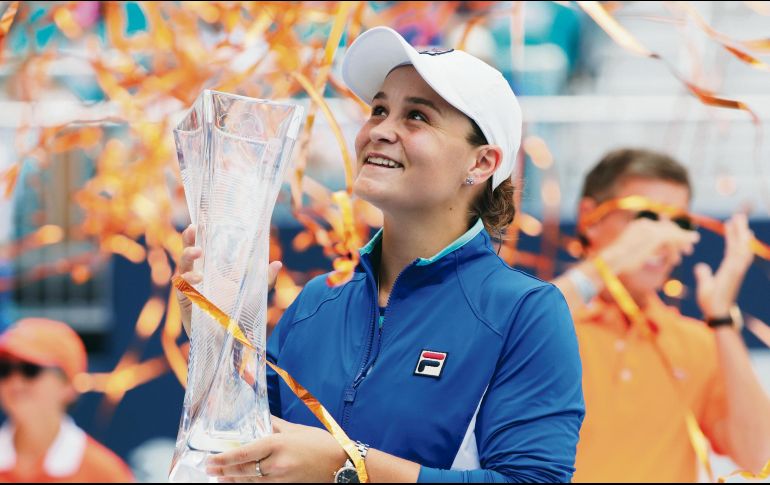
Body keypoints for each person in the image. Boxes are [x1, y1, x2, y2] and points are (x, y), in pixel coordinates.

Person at [177, 26, 584, 482]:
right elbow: (241, 455)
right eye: (379, 110)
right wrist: (216, 338)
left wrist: (347, 466)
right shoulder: (317, 301)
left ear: (481, 162)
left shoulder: (524, 311)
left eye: (417, 117)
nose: (380, 131)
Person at [552, 148, 770, 482]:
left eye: (679, 222)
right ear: (590, 218)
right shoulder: (547, 319)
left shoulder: (695, 341)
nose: (664, 238)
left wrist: (723, 318)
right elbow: (515, 329)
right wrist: (613, 260)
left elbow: (759, 456)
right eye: (646, 218)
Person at [0, 318, 134, 483]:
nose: (15, 382)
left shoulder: (105, 475)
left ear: (69, 385)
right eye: (4, 369)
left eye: (30, 370)